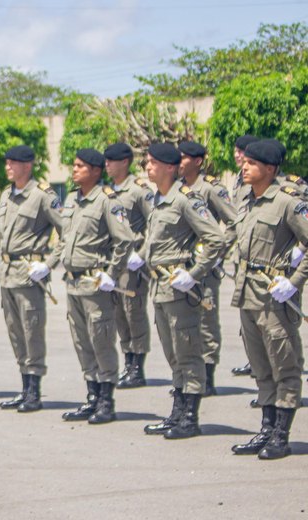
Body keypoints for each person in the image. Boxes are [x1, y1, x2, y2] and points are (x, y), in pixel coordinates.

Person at [140, 143, 224, 440]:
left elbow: (215, 239)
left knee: (188, 353)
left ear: (170, 167)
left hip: (180, 289)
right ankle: (177, 412)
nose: (147, 167)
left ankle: (190, 416)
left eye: (152, 162)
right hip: (160, 287)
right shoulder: (158, 199)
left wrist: (194, 274)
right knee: (173, 353)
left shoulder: (186, 199)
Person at [230, 139, 307, 460]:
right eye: (244, 162)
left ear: (270, 169)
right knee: (260, 366)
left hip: (276, 298)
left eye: (251, 163)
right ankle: (266, 427)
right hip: (247, 294)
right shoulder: (247, 199)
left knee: (284, 364)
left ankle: (281, 434)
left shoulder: (289, 201)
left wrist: (294, 282)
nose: (244, 167)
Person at [48, 148, 133, 425]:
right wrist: (51, 263)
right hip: (73, 282)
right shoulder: (72, 199)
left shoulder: (107, 201)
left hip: (96, 285)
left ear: (96, 171)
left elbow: (125, 240)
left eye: (80, 166)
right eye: (74, 165)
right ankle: (92, 396)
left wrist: (113, 272)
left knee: (102, 340)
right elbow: (64, 238)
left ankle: (107, 401)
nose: (74, 170)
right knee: (82, 342)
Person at [0, 145, 62, 413]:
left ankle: (34, 391)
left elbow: (67, 234)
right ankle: (24, 388)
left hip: (29, 275)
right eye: (7, 162)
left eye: (13, 163)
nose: (8, 167)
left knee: (32, 333)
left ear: (28, 165)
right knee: (16, 334)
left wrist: (47, 265)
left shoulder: (43, 196)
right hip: (7, 274)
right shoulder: (6, 195)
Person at [178, 141, 237, 396]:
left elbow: (234, 222)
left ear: (198, 161)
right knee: (183, 322)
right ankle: (190, 378)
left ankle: (208, 376)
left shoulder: (211, 189)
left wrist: (219, 254)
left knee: (206, 320)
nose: (178, 162)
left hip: (205, 266)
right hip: (181, 267)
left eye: (183, 158)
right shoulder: (176, 190)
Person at [104, 142, 153, 389]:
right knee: (118, 315)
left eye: (111, 161)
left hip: (133, 264)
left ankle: (137, 366)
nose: (107, 165)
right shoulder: (108, 192)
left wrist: (142, 255)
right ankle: (128, 359)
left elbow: (157, 224)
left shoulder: (139, 191)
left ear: (124, 162)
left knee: (134, 313)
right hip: (114, 262)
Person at [230, 135, 259, 378]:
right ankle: (254, 360)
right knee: (248, 319)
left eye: (243, 152)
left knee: (277, 326)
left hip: (270, 263)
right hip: (243, 261)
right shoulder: (239, 182)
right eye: (237, 151)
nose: (238, 155)